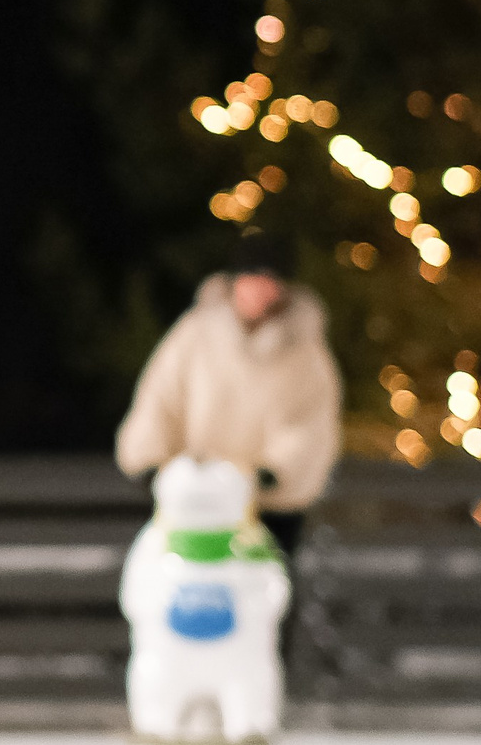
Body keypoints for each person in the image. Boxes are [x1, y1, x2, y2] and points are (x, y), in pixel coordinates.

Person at [115, 231, 343, 555]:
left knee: (263, 593)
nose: (260, 289)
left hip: (266, 510)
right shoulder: (195, 335)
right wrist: (148, 458)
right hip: (193, 499)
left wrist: (274, 472)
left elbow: (311, 423)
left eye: (270, 280)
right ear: (235, 280)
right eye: (251, 277)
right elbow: (160, 399)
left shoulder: (305, 355)